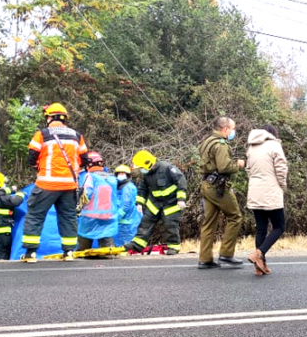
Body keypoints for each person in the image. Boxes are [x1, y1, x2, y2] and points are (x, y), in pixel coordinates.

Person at [22, 103, 89, 263]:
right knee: (68, 217)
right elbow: (85, 159)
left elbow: (32, 156)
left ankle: (31, 254)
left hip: (46, 184)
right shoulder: (76, 136)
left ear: (49, 117)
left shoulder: (42, 134)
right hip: (69, 186)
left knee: (35, 215)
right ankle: (68, 253)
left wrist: (39, 167)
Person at [197, 117, 245, 269]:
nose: (233, 131)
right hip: (218, 187)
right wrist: (238, 164)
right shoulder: (220, 144)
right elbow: (224, 167)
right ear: (225, 129)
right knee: (235, 217)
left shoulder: (207, 141)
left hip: (206, 184)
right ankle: (226, 253)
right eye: (232, 128)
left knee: (209, 222)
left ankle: (205, 259)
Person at [123, 150, 187, 256]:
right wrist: (139, 203)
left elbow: (181, 181)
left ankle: (174, 246)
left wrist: (181, 199)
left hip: (171, 203)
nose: (141, 170)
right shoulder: (147, 174)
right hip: (155, 204)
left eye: (141, 167)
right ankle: (137, 244)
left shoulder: (167, 168)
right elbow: (143, 188)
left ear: (148, 163)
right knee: (145, 223)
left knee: (170, 224)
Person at [246, 124, 288, 276]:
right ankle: (259, 253)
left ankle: (259, 266)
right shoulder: (274, 145)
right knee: (279, 226)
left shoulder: (251, 147)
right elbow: (281, 168)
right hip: (271, 190)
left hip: (255, 191)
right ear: (272, 133)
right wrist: (282, 186)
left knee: (261, 228)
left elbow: (248, 170)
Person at [77, 151, 119, 252]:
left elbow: (86, 194)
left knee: (83, 244)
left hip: (90, 216)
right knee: (107, 245)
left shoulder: (90, 177)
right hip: (108, 215)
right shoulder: (112, 178)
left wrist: (78, 207)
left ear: (89, 164)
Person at [113, 165, 142, 247]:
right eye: (119, 173)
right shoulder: (121, 187)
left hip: (128, 221)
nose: (120, 175)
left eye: (123, 174)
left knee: (125, 243)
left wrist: (117, 217)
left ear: (128, 176)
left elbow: (126, 205)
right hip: (125, 220)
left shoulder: (127, 187)